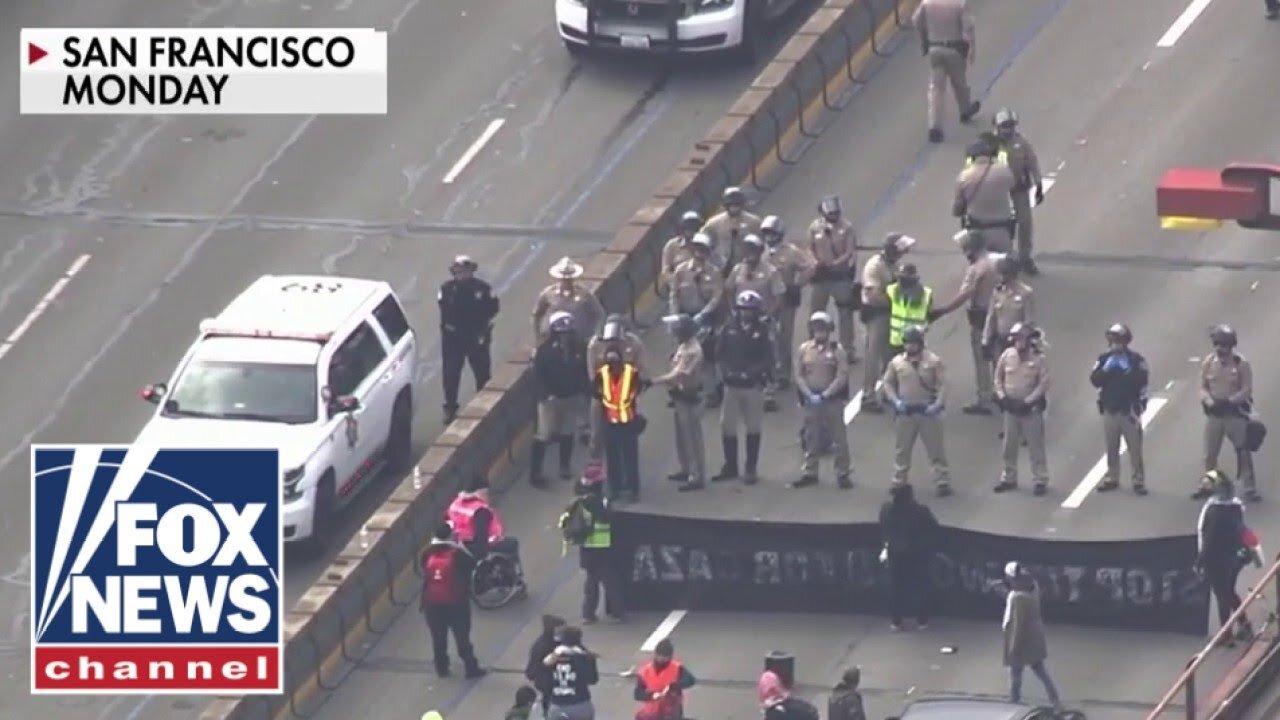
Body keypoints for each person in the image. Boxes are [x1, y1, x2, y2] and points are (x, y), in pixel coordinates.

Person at [714, 290, 775, 485]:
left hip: (753, 386)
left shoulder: (764, 331)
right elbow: (720, 353)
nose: (746, 314)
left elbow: (768, 358)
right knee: (728, 426)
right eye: (743, 310)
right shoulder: (728, 328)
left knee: (753, 427)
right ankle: (730, 466)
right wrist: (726, 373)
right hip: (732, 386)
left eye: (750, 310)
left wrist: (752, 373)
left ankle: (751, 468)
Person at [882, 325, 951, 495]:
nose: (909, 347)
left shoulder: (934, 361)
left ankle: (942, 480)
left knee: (936, 449)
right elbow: (888, 383)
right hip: (905, 412)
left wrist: (938, 404)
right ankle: (899, 480)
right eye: (907, 343)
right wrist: (895, 401)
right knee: (902, 450)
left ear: (920, 343)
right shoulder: (897, 362)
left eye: (913, 343)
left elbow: (944, 385)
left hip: (927, 411)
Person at [1194, 325, 1257, 501]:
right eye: (1217, 344)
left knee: (1242, 450)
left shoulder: (1241, 364)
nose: (1219, 348)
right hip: (1215, 415)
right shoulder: (1208, 362)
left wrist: (1231, 401)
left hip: (1234, 414)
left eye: (1223, 345)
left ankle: (1249, 486)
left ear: (1231, 346)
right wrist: (1209, 401)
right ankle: (1208, 484)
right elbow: (1201, 387)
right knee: (1210, 453)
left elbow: (1246, 389)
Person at [1197, 470, 1259, 644]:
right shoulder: (1235, 507)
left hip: (1218, 559)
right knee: (1229, 592)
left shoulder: (1215, 511)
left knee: (1222, 595)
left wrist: (1200, 561)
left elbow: (1209, 539)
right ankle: (1244, 624)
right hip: (1234, 556)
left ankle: (1226, 634)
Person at [793, 311, 853, 489]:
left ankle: (843, 473)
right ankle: (810, 471)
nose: (819, 333)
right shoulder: (804, 349)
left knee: (839, 438)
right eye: (816, 330)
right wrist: (808, 394)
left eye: (822, 330)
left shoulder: (837, 351)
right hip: (812, 399)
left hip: (832, 400)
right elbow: (799, 374)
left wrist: (826, 394)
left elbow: (842, 376)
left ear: (829, 331)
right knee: (811, 436)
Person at [438, 255, 500, 424]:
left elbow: (493, 308)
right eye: (458, 272)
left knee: (482, 372)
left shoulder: (483, 288)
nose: (462, 275)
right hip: (453, 338)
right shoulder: (447, 289)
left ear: (471, 271)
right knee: (451, 374)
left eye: (465, 271)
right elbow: (445, 311)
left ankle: (483, 406)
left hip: (476, 336)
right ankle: (450, 407)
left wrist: (481, 327)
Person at [419, 522, 485, 679]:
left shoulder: (427, 553)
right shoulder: (457, 553)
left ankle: (441, 668)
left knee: (438, 638)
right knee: (462, 637)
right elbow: (472, 565)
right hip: (457, 603)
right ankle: (471, 668)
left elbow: (424, 570)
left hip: (433, 604)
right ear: (450, 535)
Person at [532, 311, 591, 486]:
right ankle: (536, 472)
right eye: (561, 333)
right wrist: (545, 395)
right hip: (550, 399)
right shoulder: (545, 351)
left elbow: (584, 372)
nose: (565, 336)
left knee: (567, 431)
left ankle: (564, 466)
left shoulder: (579, 349)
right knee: (545, 433)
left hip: (571, 397)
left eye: (568, 332)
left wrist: (584, 391)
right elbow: (538, 375)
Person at [1089, 323, 1149, 495]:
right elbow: (1094, 380)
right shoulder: (1103, 359)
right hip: (1110, 409)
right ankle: (1112, 477)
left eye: (1119, 341)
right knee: (1111, 446)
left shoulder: (1136, 360)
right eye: (1113, 341)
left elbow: (1142, 382)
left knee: (1135, 448)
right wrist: (1106, 369)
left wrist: (1127, 370)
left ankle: (1138, 480)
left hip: (1129, 410)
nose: (1115, 345)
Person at [761, 215, 817, 395]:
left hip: (785, 301)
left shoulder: (791, 252)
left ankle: (784, 375)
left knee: (783, 337)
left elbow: (810, 266)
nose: (769, 237)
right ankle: (768, 372)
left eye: (772, 234)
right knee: (765, 337)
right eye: (766, 234)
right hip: (765, 300)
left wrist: (797, 283)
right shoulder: (759, 252)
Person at [859, 233, 915, 413]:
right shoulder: (875, 266)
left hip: (892, 315)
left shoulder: (894, 265)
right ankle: (868, 396)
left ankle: (887, 391)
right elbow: (873, 295)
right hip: (878, 315)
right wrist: (895, 302)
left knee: (891, 355)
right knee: (873, 356)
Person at [669, 233, 725, 408]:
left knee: (707, 357)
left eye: (704, 250)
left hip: (705, 319)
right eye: (698, 249)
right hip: (685, 317)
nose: (700, 253)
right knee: (679, 356)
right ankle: (679, 390)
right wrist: (675, 314)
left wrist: (704, 314)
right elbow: (674, 294)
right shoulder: (681, 271)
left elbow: (717, 297)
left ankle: (711, 392)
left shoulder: (714, 273)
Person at [994, 322, 1051, 495]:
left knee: (1035, 446)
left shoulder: (1038, 359)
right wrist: (1002, 398)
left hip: (1030, 410)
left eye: (1020, 339)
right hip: (1011, 408)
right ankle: (1008, 477)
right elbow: (998, 378)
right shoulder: (1007, 355)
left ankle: (1040, 479)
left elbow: (1044, 383)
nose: (1017, 343)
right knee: (1009, 445)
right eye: (1015, 339)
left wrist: (1028, 402)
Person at [559, 472, 624, 622]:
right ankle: (617, 612)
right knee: (610, 580)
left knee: (591, 582)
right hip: (603, 547)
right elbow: (608, 518)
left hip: (587, 548)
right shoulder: (600, 503)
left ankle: (588, 613)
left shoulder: (581, 503)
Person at [913, 0, 980, 142]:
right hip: (955, 49)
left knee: (936, 89)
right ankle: (965, 110)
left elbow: (916, 20)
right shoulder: (959, 4)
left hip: (935, 49)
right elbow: (968, 28)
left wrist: (924, 39)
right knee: (960, 84)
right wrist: (972, 49)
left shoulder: (927, 3)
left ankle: (935, 126)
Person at [654, 314, 707, 492]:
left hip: (689, 397)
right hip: (679, 396)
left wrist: (655, 381)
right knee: (681, 437)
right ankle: (686, 468)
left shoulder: (692, 351)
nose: (672, 333)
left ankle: (696, 475)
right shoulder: (683, 346)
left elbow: (679, 374)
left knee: (691, 437)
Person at [1001, 562, 1062, 710]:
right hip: (1034, 637)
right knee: (1039, 670)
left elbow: (1018, 624)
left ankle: (1014, 701)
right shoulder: (1031, 587)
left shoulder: (1018, 597)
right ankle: (1055, 700)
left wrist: (1014, 646)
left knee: (1016, 673)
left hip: (1022, 638)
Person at [807, 195, 860, 363]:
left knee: (845, 312)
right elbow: (809, 249)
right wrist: (816, 263)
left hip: (839, 276)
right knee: (816, 312)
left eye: (836, 213)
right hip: (821, 277)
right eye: (830, 213)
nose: (834, 216)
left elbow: (849, 251)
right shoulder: (815, 227)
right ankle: (813, 347)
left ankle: (848, 349)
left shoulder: (847, 227)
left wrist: (836, 264)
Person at [879, 483, 939, 630]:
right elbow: (933, 526)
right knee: (920, 587)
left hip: (895, 555)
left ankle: (896, 621)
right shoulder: (919, 511)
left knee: (895, 588)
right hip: (916, 555)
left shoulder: (886, 510)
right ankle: (922, 620)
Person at [586, 314, 646, 461]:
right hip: (602, 392)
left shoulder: (634, 343)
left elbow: (641, 369)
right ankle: (596, 463)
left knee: (629, 430)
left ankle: (629, 459)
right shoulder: (595, 344)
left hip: (626, 393)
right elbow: (593, 373)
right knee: (597, 432)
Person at [993, 108, 1044, 275]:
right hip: (997, 191)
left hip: (1018, 188)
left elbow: (1032, 162)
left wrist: (1038, 185)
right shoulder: (990, 145)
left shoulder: (1021, 143)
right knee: (999, 226)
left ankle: (1025, 257)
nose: (1008, 130)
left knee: (1025, 223)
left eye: (1011, 126)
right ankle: (1001, 259)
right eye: (1004, 126)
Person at [447, 475, 524, 575]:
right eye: (486, 493)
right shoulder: (480, 510)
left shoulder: (455, 504)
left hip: (460, 547)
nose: (487, 497)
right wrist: (483, 555)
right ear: (480, 492)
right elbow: (481, 537)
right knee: (512, 543)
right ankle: (513, 576)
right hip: (477, 548)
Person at [595, 347, 644, 502]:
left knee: (630, 457)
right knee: (612, 457)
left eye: (615, 363)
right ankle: (614, 488)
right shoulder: (602, 375)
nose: (613, 366)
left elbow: (638, 389)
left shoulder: (631, 373)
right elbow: (594, 392)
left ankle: (633, 490)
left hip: (628, 423)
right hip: (610, 423)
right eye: (610, 363)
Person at [954, 136, 1017, 253]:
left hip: (977, 232)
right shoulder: (1004, 171)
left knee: (978, 267)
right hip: (1002, 229)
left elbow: (957, 211)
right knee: (1005, 265)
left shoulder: (964, 177)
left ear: (971, 158)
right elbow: (1012, 186)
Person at [533, 257, 606, 344]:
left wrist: (596, 335)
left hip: (579, 340)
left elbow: (599, 313)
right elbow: (536, 314)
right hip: (553, 340)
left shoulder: (584, 294)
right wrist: (538, 336)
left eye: (569, 279)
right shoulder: (549, 294)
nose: (566, 282)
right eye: (564, 279)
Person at [982, 257, 1035, 367]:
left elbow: (1029, 321)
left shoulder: (1025, 293)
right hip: (1000, 340)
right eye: (1000, 274)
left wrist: (1023, 343)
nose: (1002, 277)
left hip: (1017, 341)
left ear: (1013, 274)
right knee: (999, 371)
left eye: (1005, 274)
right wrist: (986, 340)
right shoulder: (998, 291)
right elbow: (991, 317)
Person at [542, 625, 600, 720]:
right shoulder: (586, 657)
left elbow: (544, 678)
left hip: (558, 704)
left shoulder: (551, 659)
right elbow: (593, 680)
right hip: (580, 703)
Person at [632, 638, 697, 720]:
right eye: (660, 656)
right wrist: (652, 695)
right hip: (652, 710)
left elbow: (690, 680)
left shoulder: (677, 668)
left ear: (670, 657)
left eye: (665, 657)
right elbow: (638, 694)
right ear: (655, 654)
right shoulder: (645, 671)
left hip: (672, 709)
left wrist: (675, 685)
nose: (662, 659)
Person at [702, 186, 762, 273]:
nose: (734, 208)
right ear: (726, 205)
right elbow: (703, 243)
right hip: (721, 267)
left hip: (747, 266)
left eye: (737, 205)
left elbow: (763, 243)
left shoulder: (754, 222)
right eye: (731, 205)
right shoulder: (714, 223)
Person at [885, 263, 934, 360]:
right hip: (898, 341)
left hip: (915, 341)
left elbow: (929, 314)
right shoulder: (892, 290)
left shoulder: (926, 293)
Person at [526, 615, 566, 716]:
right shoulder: (546, 645)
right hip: (548, 680)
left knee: (548, 701)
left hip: (546, 680)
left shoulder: (547, 641)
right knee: (551, 701)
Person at [661, 211, 706, 295]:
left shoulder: (706, 244)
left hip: (702, 288)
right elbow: (666, 271)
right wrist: (676, 284)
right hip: (679, 290)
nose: (691, 232)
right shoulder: (672, 246)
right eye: (688, 229)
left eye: (694, 229)